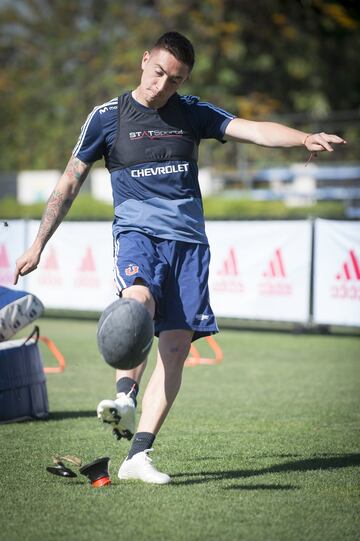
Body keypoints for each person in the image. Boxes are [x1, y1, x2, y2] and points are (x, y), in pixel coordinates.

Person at [14, 31, 346, 485]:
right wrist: (38, 242)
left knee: (173, 353)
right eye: (158, 73)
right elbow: (69, 182)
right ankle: (124, 396)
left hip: (190, 247)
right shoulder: (106, 118)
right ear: (144, 60)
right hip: (137, 235)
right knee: (138, 301)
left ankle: (137, 456)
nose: (162, 85)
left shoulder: (192, 112)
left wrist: (303, 137)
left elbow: (250, 129)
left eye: (175, 79)